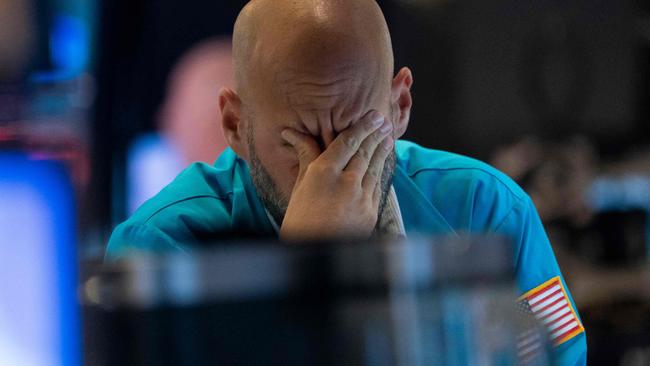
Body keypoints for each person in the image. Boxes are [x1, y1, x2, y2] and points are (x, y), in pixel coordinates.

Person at [107, 0, 587, 364]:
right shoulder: (158, 250)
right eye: (296, 142)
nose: (330, 170)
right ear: (235, 124)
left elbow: (554, 353)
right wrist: (303, 272)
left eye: (357, 136)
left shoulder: (490, 210)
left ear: (400, 106)